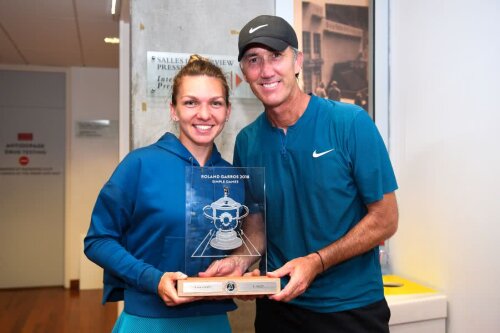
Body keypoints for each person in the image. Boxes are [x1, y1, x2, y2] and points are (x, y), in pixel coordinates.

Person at [204, 15, 398, 333]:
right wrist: (240, 260)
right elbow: (257, 224)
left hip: (350, 308)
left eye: (276, 56)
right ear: (244, 73)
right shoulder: (247, 142)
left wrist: (317, 261)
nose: (266, 71)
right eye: (254, 60)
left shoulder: (350, 123)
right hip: (278, 309)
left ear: (298, 61)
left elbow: (386, 218)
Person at [84, 54, 236, 333]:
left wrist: (239, 267)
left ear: (227, 110)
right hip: (149, 319)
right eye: (191, 102)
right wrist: (153, 279)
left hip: (213, 320)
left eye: (215, 103)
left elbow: (242, 242)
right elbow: (98, 240)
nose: (204, 114)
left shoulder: (234, 177)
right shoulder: (139, 165)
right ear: (173, 110)